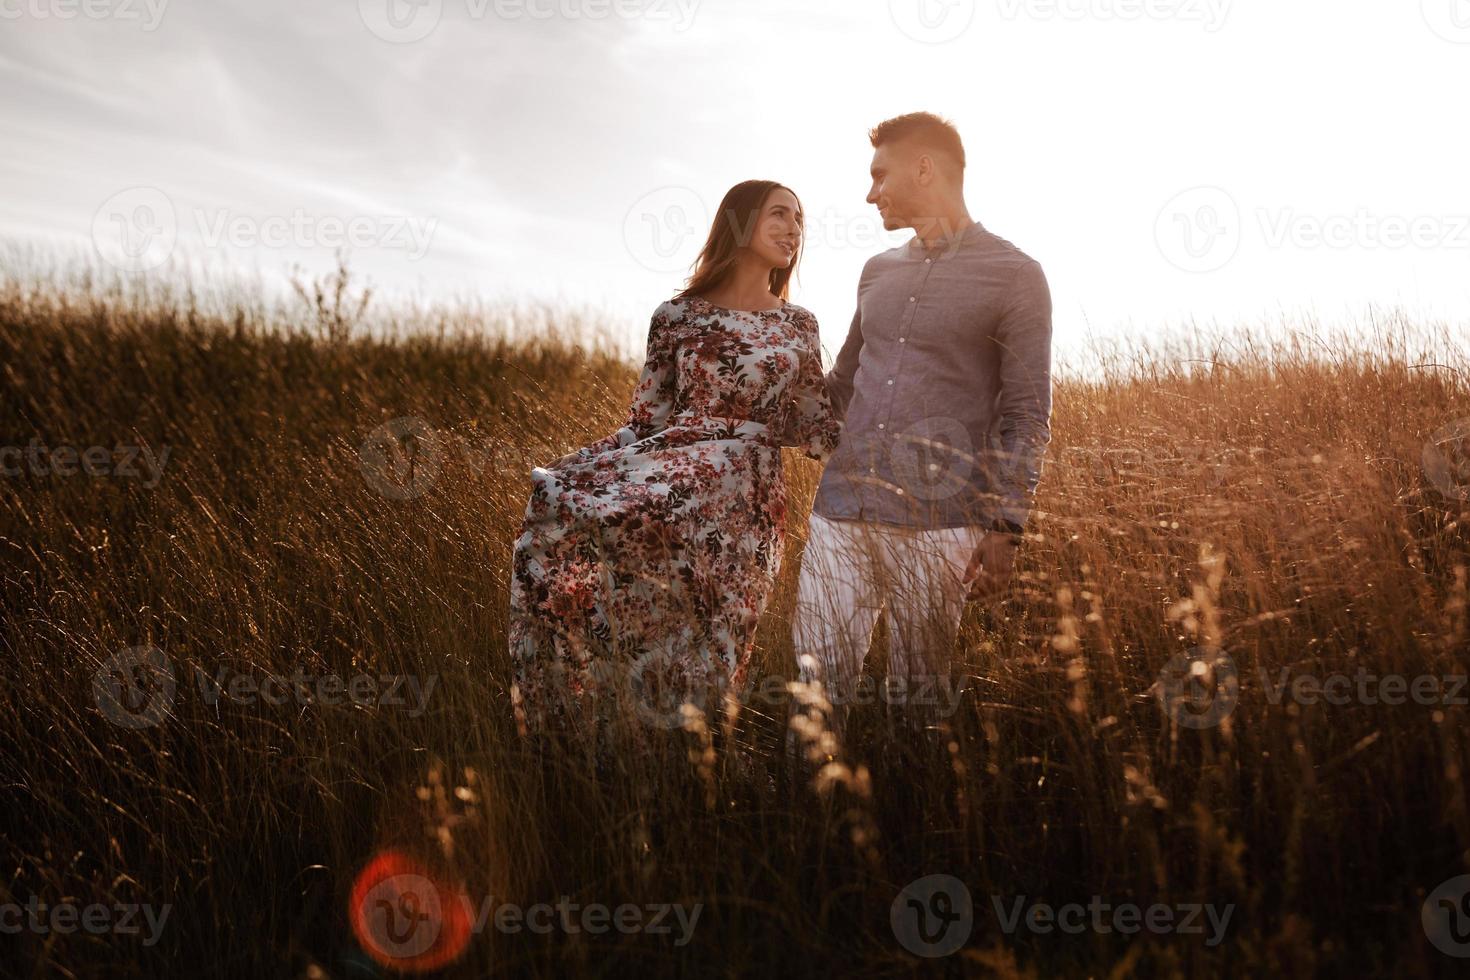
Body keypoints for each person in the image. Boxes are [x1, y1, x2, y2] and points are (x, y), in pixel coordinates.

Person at [509, 179, 842, 742]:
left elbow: (814, 428)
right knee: (655, 622)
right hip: (674, 494)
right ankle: (614, 745)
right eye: (779, 215)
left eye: (800, 220)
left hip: (747, 505)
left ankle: (697, 755)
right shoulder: (676, 315)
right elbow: (648, 420)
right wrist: (577, 470)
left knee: (724, 631)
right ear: (739, 224)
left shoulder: (798, 324)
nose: (794, 229)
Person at [791, 112, 1054, 741]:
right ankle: (805, 824)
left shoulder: (1016, 275)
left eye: (880, 175)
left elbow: (1025, 412)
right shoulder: (876, 272)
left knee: (918, 706)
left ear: (925, 168)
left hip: (939, 527)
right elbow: (844, 382)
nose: (870, 192)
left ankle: (915, 819)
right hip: (839, 515)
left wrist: (1006, 524)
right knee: (812, 695)